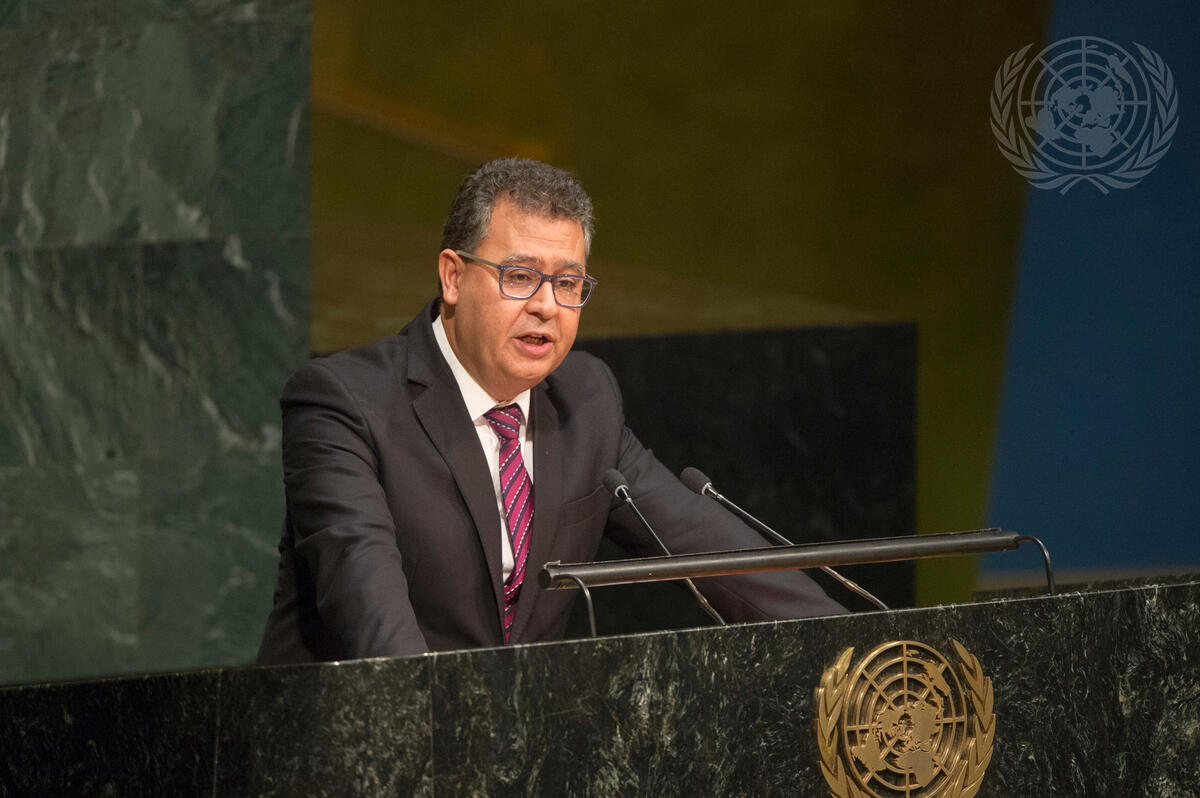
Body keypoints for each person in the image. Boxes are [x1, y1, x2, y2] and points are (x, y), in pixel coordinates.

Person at [256, 158, 845, 665]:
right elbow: (371, 614)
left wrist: (856, 648)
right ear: (453, 277)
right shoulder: (345, 403)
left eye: (568, 284)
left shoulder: (585, 399)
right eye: (520, 277)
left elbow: (716, 555)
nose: (547, 306)